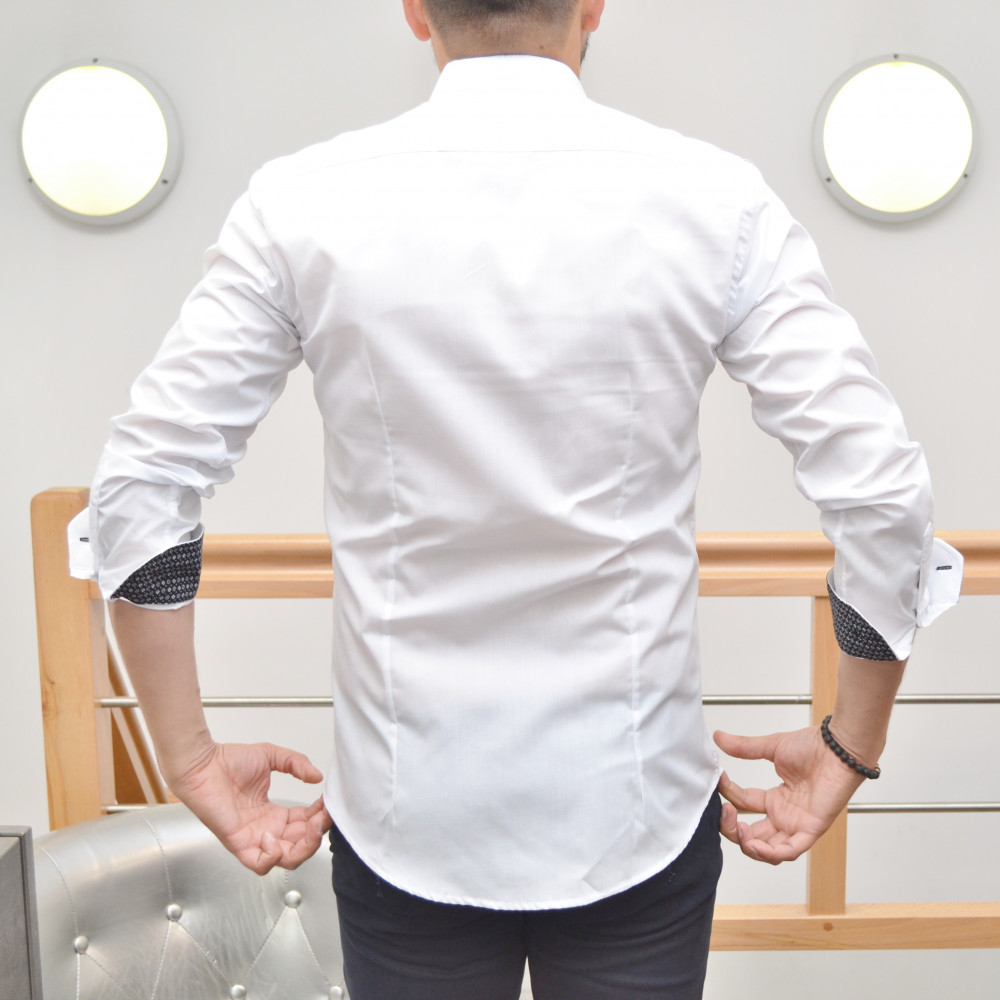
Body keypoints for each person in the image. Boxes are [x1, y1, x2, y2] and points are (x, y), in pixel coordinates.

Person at [69, 1, 963, 997]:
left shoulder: (299, 204)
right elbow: (882, 496)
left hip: (407, 822)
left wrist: (188, 759)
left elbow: (142, 488)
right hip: (635, 816)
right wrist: (852, 742)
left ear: (415, 11)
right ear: (593, 5)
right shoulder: (715, 201)